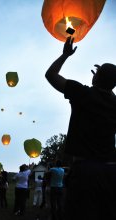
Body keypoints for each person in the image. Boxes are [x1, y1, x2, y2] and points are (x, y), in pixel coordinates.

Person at [45, 36, 116, 220]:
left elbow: (51, 75)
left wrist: (65, 55)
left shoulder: (82, 93)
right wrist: (105, 82)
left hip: (84, 172)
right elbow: (108, 89)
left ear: (97, 77)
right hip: (110, 172)